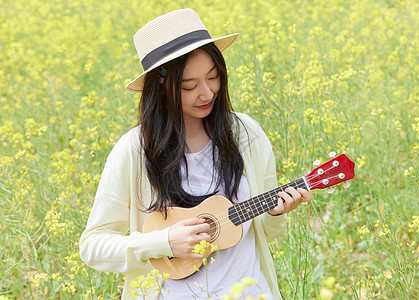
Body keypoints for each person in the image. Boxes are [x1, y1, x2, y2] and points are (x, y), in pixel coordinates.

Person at [79, 8, 312, 300]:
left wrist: (276, 214)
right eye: (189, 85)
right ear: (161, 87)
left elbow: (263, 233)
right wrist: (163, 243)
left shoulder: (247, 134)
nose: (207, 93)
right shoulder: (134, 151)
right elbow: (93, 246)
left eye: (213, 78)